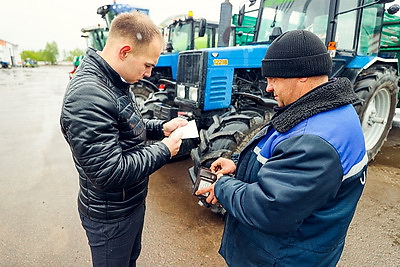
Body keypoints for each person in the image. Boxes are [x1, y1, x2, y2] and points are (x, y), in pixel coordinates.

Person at [196, 29, 368, 266]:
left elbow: (270, 208)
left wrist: (222, 185)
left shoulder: (313, 142)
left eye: (273, 78)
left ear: (301, 75)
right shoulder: (326, 111)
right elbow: (281, 161)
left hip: (281, 258)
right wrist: (238, 164)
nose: (268, 87)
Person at [60, 12, 187, 266]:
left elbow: (126, 122)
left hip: (129, 205)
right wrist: (164, 150)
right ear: (125, 52)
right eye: (148, 65)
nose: (150, 74)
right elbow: (109, 172)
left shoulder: (114, 81)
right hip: (110, 219)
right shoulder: (88, 96)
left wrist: (161, 128)